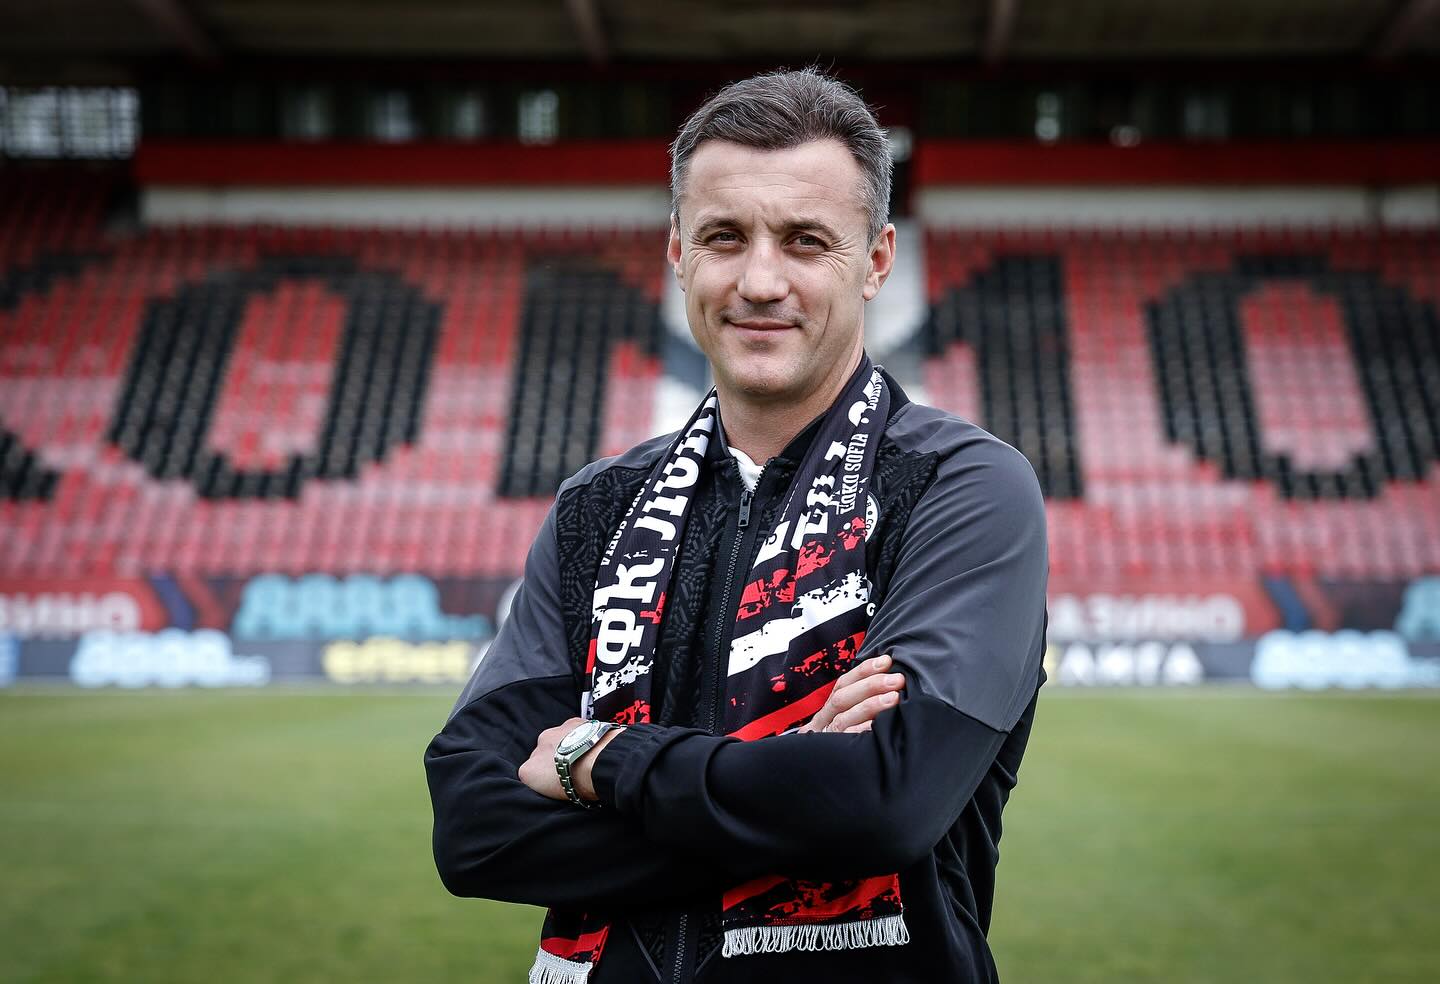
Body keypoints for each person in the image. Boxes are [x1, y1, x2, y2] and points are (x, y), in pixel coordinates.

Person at [425, 67, 1048, 984]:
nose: (760, 281)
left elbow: (886, 805)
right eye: (724, 237)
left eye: (805, 241)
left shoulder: (962, 488)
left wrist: (600, 757)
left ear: (876, 261)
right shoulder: (597, 507)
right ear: (679, 253)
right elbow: (473, 830)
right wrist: (798, 795)